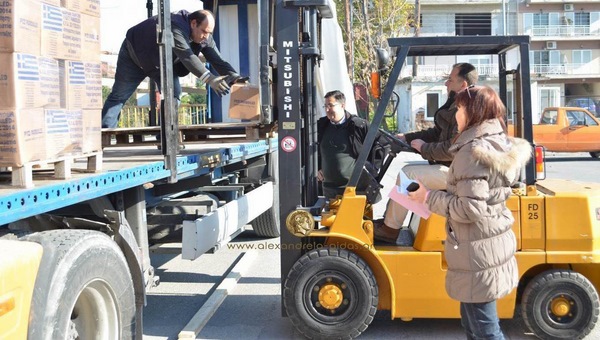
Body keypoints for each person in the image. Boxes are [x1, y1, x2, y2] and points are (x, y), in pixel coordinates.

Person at [408, 85, 533, 339]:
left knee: (485, 330)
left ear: (473, 112)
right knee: (474, 324)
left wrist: (427, 197)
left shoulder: (472, 153)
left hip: (476, 251)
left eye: (460, 108)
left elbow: (469, 209)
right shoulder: (496, 142)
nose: (456, 114)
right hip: (487, 245)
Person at [374, 62, 478, 243]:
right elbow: (436, 133)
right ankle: (388, 223)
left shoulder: (467, 110)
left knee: (409, 174)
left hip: (462, 174)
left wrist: (424, 148)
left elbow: (452, 149)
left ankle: (390, 230)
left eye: (450, 80)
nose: (446, 84)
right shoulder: (456, 104)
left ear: (463, 85)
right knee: (406, 172)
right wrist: (407, 137)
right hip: (454, 168)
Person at [102, 9, 247, 128]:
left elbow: (217, 59)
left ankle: (165, 137)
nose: (206, 36)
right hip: (133, 56)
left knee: (174, 94)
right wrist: (210, 79)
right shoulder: (175, 25)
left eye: (209, 33)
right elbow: (187, 56)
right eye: (204, 31)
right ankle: (105, 135)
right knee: (119, 96)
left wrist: (234, 76)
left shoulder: (204, 36)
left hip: (159, 64)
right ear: (193, 23)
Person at [316, 90, 385, 200]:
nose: (327, 109)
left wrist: (371, 167)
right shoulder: (321, 126)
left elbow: (382, 144)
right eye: (325, 106)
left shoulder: (359, 126)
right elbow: (312, 150)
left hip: (354, 189)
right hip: (329, 189)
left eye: (331, 105)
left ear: (342, 105)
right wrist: (317, 167)